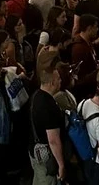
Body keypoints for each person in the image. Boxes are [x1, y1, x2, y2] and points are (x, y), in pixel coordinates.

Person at [30, 52, 67, 185]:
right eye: (59, 79)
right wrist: (61, 164)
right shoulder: (48, 105)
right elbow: (53, 140)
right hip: (46, 157)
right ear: (52, 82)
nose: (61, 81)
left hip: (35, 152)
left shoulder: (36, 96)